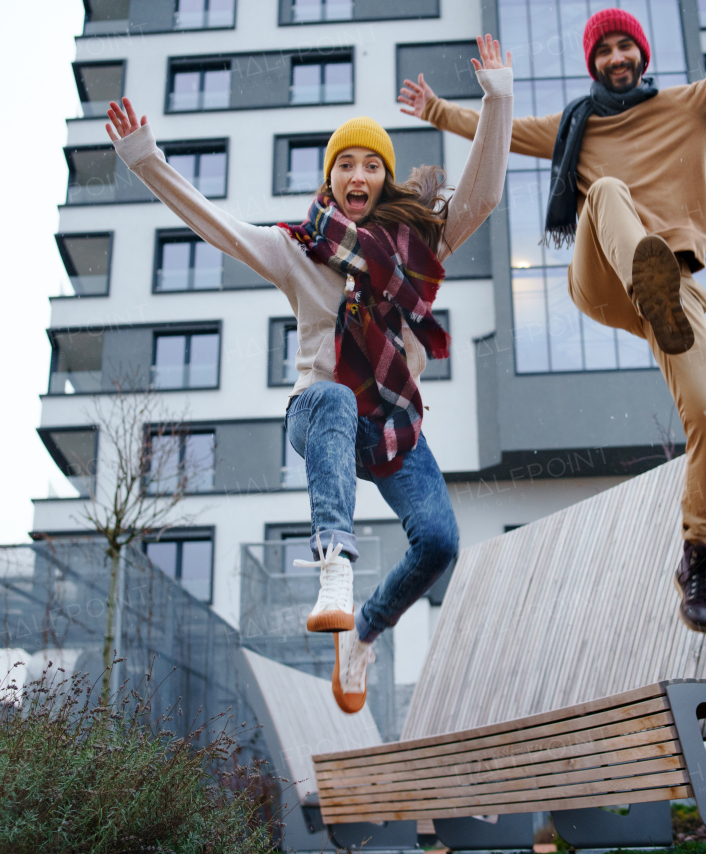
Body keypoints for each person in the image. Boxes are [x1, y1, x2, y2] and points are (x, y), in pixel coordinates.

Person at [105, 37, 514, 713]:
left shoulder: (415, 246)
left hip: (389, 427)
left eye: (371, 166)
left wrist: (497, 99)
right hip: (319, 416)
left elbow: (483, 196)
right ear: (331, 180)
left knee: (440, 541)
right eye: (345, 165)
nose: (358, 176)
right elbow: (216, 226)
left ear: (383, 180)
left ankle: (365, 630)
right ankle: (334, 565)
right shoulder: (296, 248)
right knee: (329, 394)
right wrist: (145, 160)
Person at [400, 2, 706, 634]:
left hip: (676, 293)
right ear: (593, 62)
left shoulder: (691, 107)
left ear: (643, 55)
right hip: (605, 279)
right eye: (604, 51)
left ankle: (697, 556)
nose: (616, 58)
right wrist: (437, 111)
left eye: (624, 47)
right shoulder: (575, 128)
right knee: (608, 191)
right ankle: (647, 274)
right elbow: (501, 131)